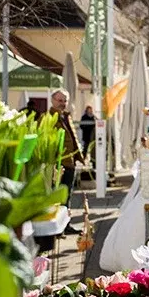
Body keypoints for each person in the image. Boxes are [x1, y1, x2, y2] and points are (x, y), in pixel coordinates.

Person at [50, 90, 84, 237]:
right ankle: (58, 227)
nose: (62, 103)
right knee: (59, 196)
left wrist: (78, 156)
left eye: (64, 100)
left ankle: (66, 224)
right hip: (59, 163)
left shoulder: (66, 116)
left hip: (70, 161)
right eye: (60, 100)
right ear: (52, 100)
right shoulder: (49, 117)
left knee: (67, 195)